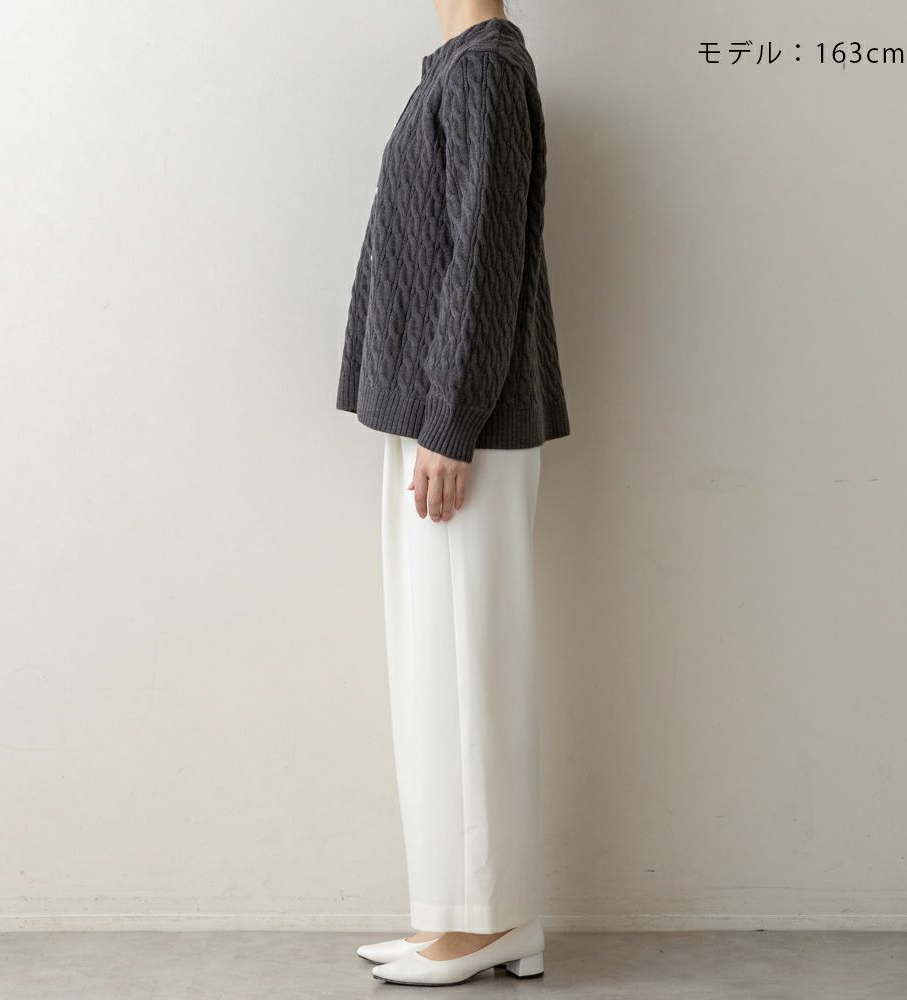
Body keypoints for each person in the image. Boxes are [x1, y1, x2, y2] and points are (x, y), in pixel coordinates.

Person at [335, 0, 570, 986]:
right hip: (437, 414)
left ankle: (486, 923)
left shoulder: (485, 71)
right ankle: (459, 914)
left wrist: (450, 420)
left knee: (467, 671)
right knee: (439, 671)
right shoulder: (456, 66)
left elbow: (485, 255)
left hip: (461, 424)